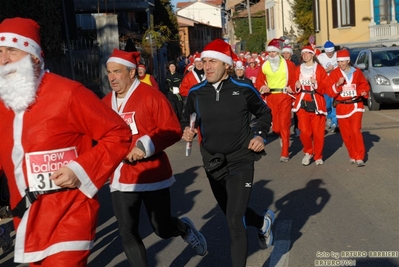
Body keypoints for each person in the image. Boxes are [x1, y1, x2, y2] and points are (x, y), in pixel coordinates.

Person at [0, 17, 132, 266]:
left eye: (12, 51)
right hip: (28, 219)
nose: (4, 59)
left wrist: (79, 169)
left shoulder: (69, 93)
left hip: (69, 213)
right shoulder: (3, 103)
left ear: (34, 57)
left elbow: (119, 134)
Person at [102, 49, 207, 266]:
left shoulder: (151, 96)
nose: (112, 77)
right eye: (109, 72)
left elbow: (171, 130)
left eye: (117, 72)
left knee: (162, 229)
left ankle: (183, 228)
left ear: (132, 73)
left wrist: (143, 146)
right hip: (121, 177)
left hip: (151, 174)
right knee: (127, 231)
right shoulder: (104, 103)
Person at [182, 38, 274, 267]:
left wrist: (260, 135)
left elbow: (264, 114)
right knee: (233, 215)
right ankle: (262, 223)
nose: (208, 66)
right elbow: (187, 118)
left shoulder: (243, 89)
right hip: (213, 162)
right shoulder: (195, 93)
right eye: (204, 62)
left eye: (213, 61)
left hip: (241, 160)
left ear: (227, 65)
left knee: (234, 220)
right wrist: (187, 130)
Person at [255, 38, 297, 163]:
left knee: (284, 124)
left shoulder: (288, 64)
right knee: (277, 127)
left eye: (274, 52)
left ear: (279, 52)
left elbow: (295, 78)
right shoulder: (265, 65)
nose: (272, 54)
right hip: (271, 96)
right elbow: (259, 80)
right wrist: (263, 86)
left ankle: (284, 152)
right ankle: (281, 136)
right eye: (270, 52)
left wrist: (292, 87)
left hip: (284, 95)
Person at [327, 50, 370, 166]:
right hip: (342, 107)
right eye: (339, 62)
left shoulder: (357, 72)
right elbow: (330, 92)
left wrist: (362, 92)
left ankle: (360, 156)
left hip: (356, 105)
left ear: (348, 60)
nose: (341, 64)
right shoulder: (334, 73)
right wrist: (337, 85)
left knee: (356, 130)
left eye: (343, 61)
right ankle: (352, 154)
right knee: (346, 134)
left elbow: (364, 85)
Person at [291, 46, 332, 166]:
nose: (305, 56)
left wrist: (317, 84)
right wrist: (296, 85)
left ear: (312, 55)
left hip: (317, 103)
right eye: (303, 54)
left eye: (308, 53)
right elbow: (292, 84)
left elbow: (326, 87)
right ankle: (308, 152)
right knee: (304, 132)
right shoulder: (298, 69)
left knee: (318, 133)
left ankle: (318, 155)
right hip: (302, 103)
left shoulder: (319, 69)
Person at [317, 40, 339, 132]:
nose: (329, 53)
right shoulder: (320, 58)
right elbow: (318, 72)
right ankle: (329, 117)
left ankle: (335, 122)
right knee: (327, 104)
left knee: (334, 104)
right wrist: (327, 70)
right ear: (325, 51)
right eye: (328, 51)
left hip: (335, 83)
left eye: (331, 51)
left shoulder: (337, 56)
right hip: (325, 84)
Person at [282, 45, 301, 137]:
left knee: (296, 110)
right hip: (283, 90)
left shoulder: (295, 63)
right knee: (285, 112)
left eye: (287, 53)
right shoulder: (280, 64)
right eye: (284, 53)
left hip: (293, 90)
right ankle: (285, 130)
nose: (286, 55)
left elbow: (297, 76)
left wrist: (293, 87)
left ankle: (297, 127)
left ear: (291, 54)